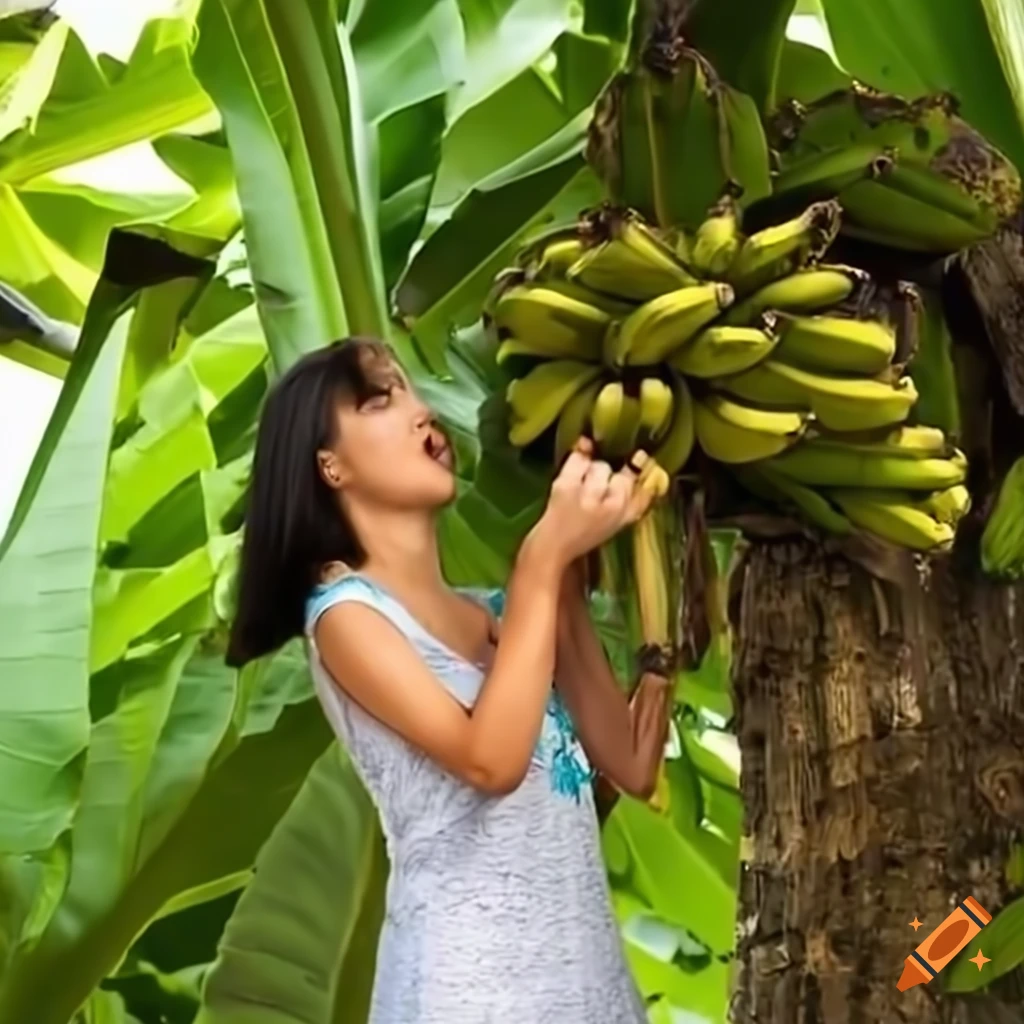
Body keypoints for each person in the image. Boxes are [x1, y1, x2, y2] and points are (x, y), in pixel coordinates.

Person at [226, 336, 674, 1023]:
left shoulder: (510, 611)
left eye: (410, 389)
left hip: (583, 981)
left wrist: (637, 588)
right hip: (469, 987)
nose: (420, 412)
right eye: (380, 399)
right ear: (330, 465)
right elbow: (488, 761)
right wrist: (543, 554)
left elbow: (634, 763)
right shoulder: (345, 617)